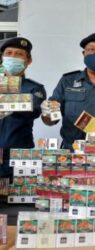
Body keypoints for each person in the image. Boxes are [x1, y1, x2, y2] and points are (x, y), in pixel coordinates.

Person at [0, 37, 46, 177]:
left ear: (28, 61)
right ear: (1, 58)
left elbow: (34, 108)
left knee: (17, 197)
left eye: (19, 54)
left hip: (19, 155)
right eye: (9, 53)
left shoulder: (34, 88)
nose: (13, 57)